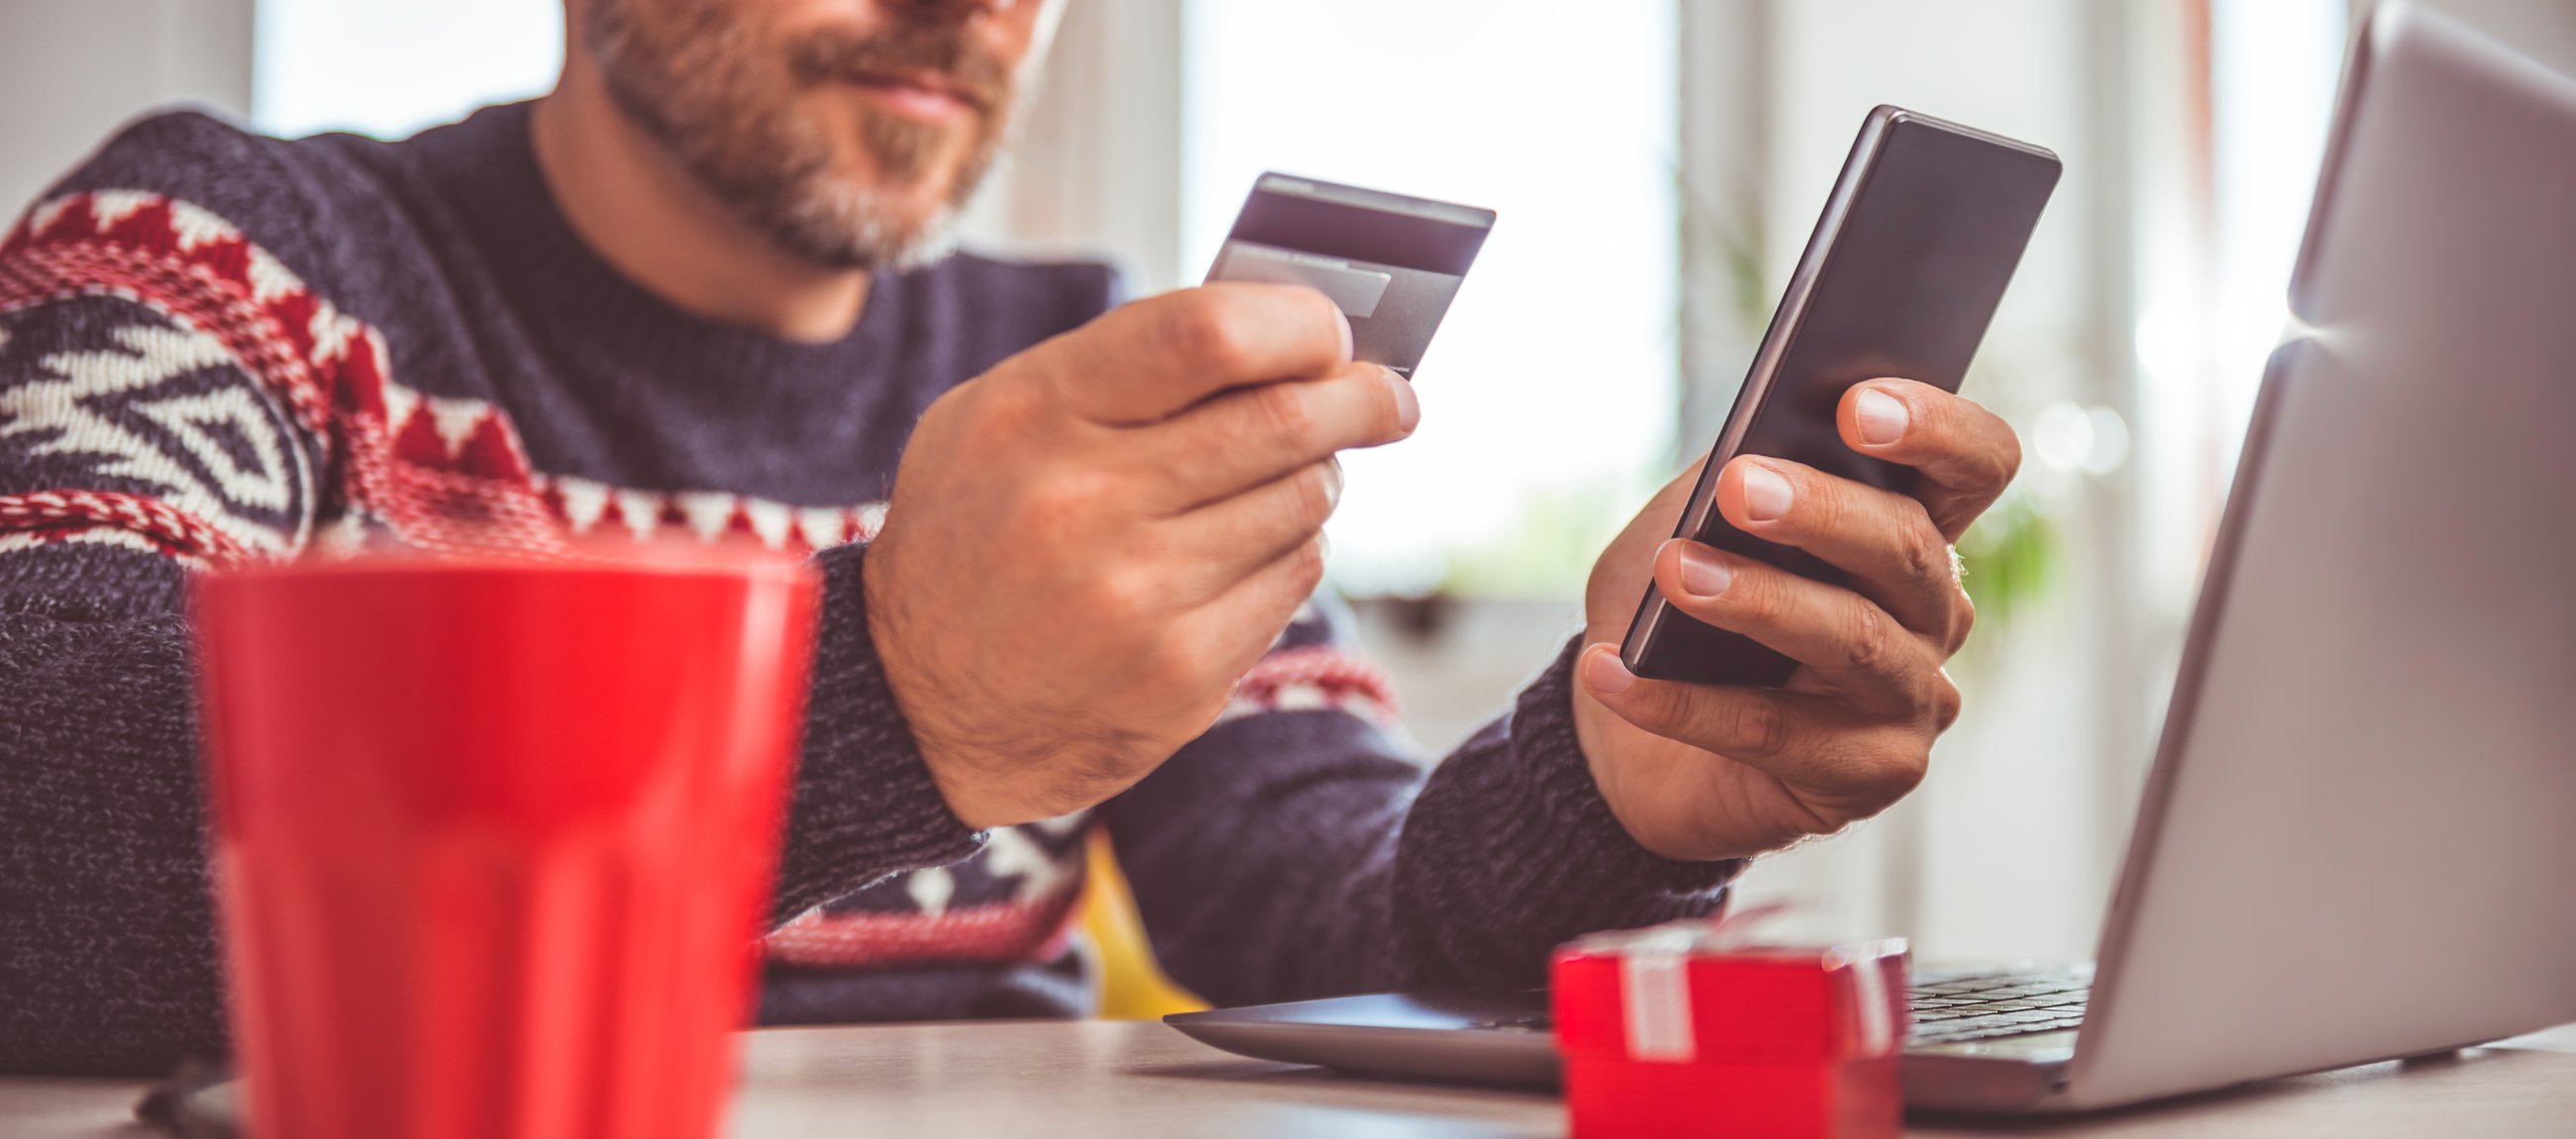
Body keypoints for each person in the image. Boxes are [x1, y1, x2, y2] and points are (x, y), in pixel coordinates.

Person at [0, 0, 2017, 1075]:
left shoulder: (1070, 367)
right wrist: (884, 679)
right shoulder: (236, 248)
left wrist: (1615, 795)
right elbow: (32, 797)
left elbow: (1328, 903)